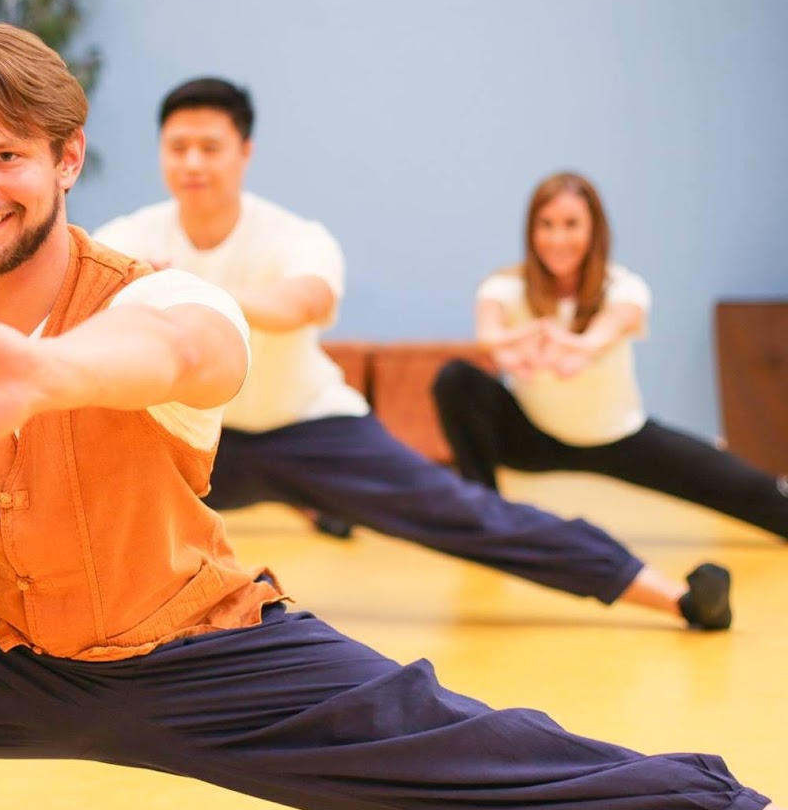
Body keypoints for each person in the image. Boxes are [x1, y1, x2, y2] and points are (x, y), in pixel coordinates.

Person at [0, 25, 788, 810]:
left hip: (199, 663)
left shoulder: (151, 289)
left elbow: (189, 345)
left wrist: (41, 376)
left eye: (5, 156)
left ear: (67, 160)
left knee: (476, 752)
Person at [94, 78, 729, 633]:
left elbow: (301, 303)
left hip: (310, 431)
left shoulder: (295, 237)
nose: (193, 162)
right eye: (179, 148)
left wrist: (177, 290)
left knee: (464, 515)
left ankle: (675, 597)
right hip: (196, 441)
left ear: (244, 153)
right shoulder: (128, 237)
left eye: (211, 147)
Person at [432, 171, 788, 540]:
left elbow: (607, 331)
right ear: (531, 230)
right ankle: (486, 518)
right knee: (455, 379)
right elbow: (488, 335)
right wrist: (511, 352)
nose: (558, 238)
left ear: (594, 230)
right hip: (533, 436)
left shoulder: (623, 287)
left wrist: (576, 349)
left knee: (749, 489)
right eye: (546, 224)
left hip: (617, 437)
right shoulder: (504, 286)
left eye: (571, 225)